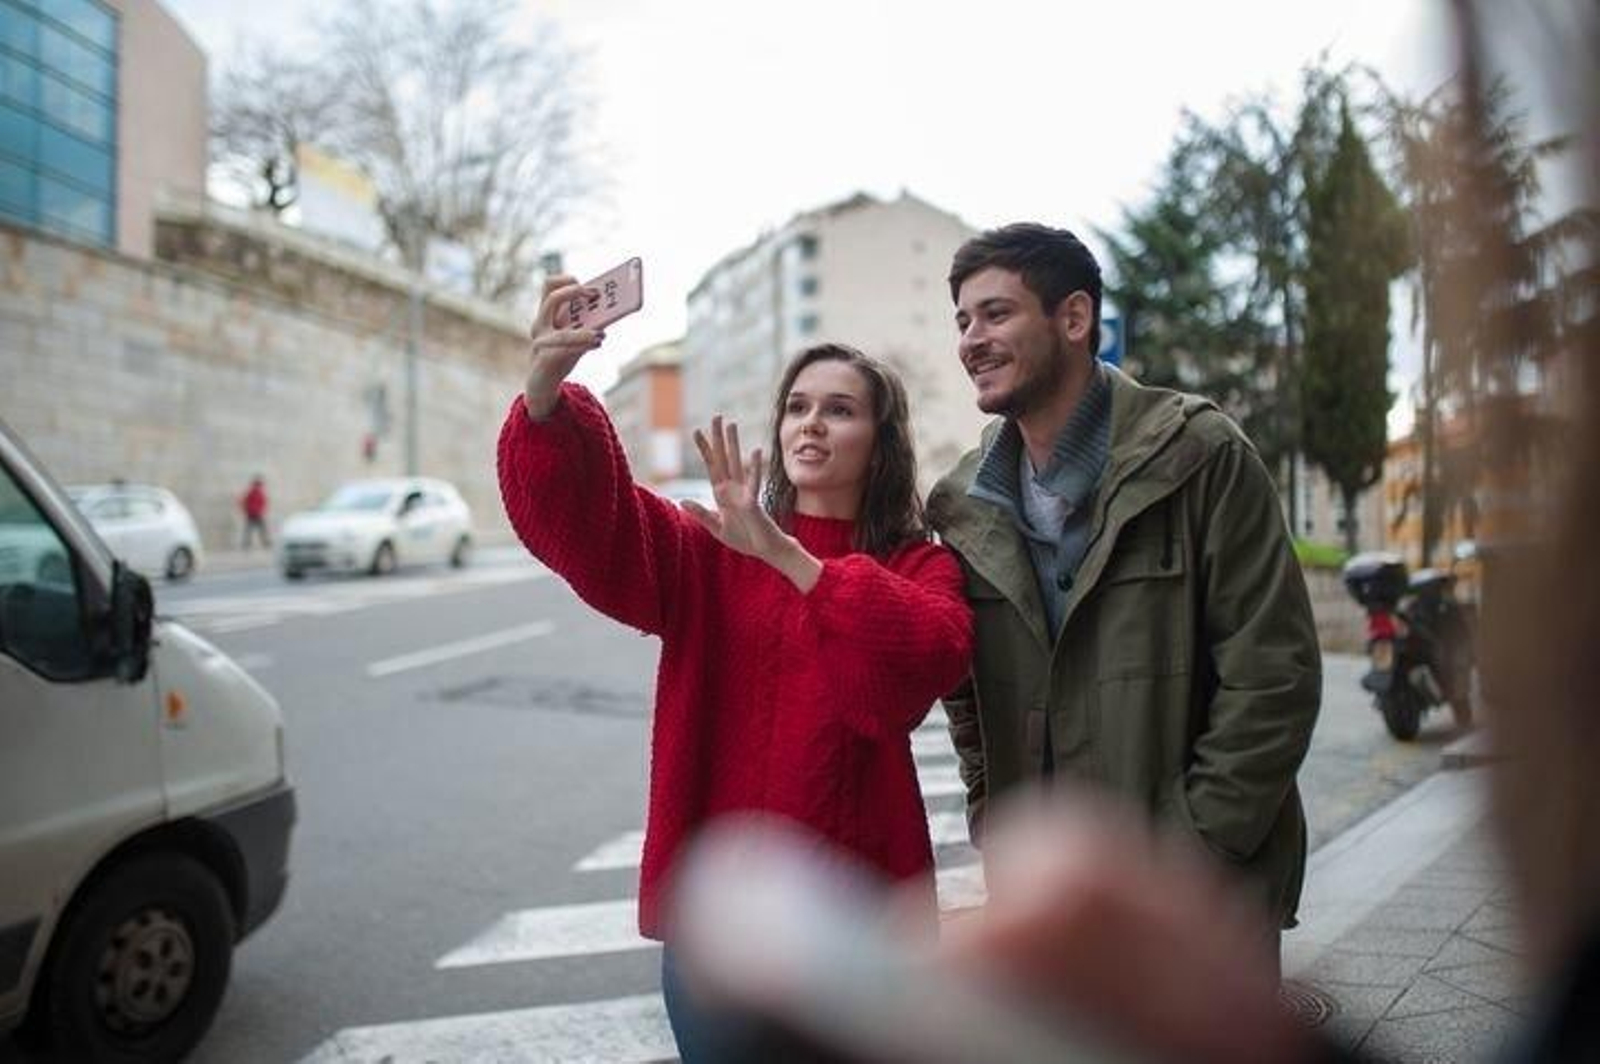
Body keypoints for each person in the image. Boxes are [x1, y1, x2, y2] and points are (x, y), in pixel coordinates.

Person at [497, 274, 973, 1061]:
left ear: (880, 442)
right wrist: (546, 395)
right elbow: (591, 526)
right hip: (717, 931)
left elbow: (915, 666)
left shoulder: (918, 564)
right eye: (797, 405)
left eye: (840, 408)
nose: (811, 422)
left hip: (864, 930)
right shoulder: (707, 550)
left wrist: (786, 556)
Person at [925, 223, 1322, 955]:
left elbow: (1274, 675)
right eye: (963, 320)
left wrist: (1190, 852)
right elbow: (966, 697)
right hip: (1042, 906)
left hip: (1199, 904)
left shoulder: (1201, 455)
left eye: (996, 313)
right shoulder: (963, 503)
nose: (971, 339)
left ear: (1074, 319)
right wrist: (996, 821)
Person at [240, 475, 270, 550]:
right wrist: (247, 510)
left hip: (255, 513)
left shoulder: (256, 492)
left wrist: (261, 510)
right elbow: (245, 502)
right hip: (253, 513)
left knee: (254, 529)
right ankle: (248, 544)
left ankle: (248, 543)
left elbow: (263, 502)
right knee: (255, 529)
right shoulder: (253, 492)